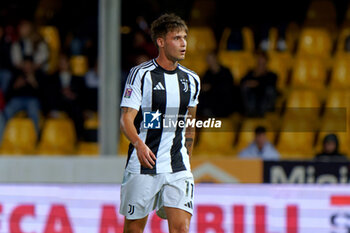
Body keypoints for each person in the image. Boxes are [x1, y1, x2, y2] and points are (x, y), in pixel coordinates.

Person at [119, 13, 200, 233]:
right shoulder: (141, 75)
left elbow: (190, 123)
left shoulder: (192, 80)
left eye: (185, 37)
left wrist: (186, 155)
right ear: (161, 42)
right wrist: (138, 143)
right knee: (134, 230)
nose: (183, 43)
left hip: (178, 166)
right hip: (145, 164)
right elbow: (126, 118)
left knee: (181, 228)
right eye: (176, 38)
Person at [0, 56, 42, 141]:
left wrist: (34, 82)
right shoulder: (16, 74)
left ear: (32, 65)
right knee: (7, 110)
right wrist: (15, 86)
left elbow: (44, 96)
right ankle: (4, 135)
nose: (26, 66)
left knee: (33, 112)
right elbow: (8, 94)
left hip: (32, 100)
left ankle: (36, 137)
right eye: (25, 64)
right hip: (17, 99)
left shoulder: (39, 74)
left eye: (28, 64)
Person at [240, 51, 278, 117]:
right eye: (259, 63)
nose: (261, 65)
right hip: (252, 103)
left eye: (263, 63)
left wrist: (257, 84)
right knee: (245, 88)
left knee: (270, 90)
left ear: (266, 62)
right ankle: (251, 112)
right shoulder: (250, 74)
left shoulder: (272, 75)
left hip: (264, 104)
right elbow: (243, 82)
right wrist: (256, 76)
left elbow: (270, 84)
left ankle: (264, 113)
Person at [197, 52, 235, 118]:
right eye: (208, 60)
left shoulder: (225, 72)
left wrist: (211, 87)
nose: (210, 62)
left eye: (211, 59)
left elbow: (227, 87)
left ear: (216, 59)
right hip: (210, 101)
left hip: (223, 102)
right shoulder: (207, 73)